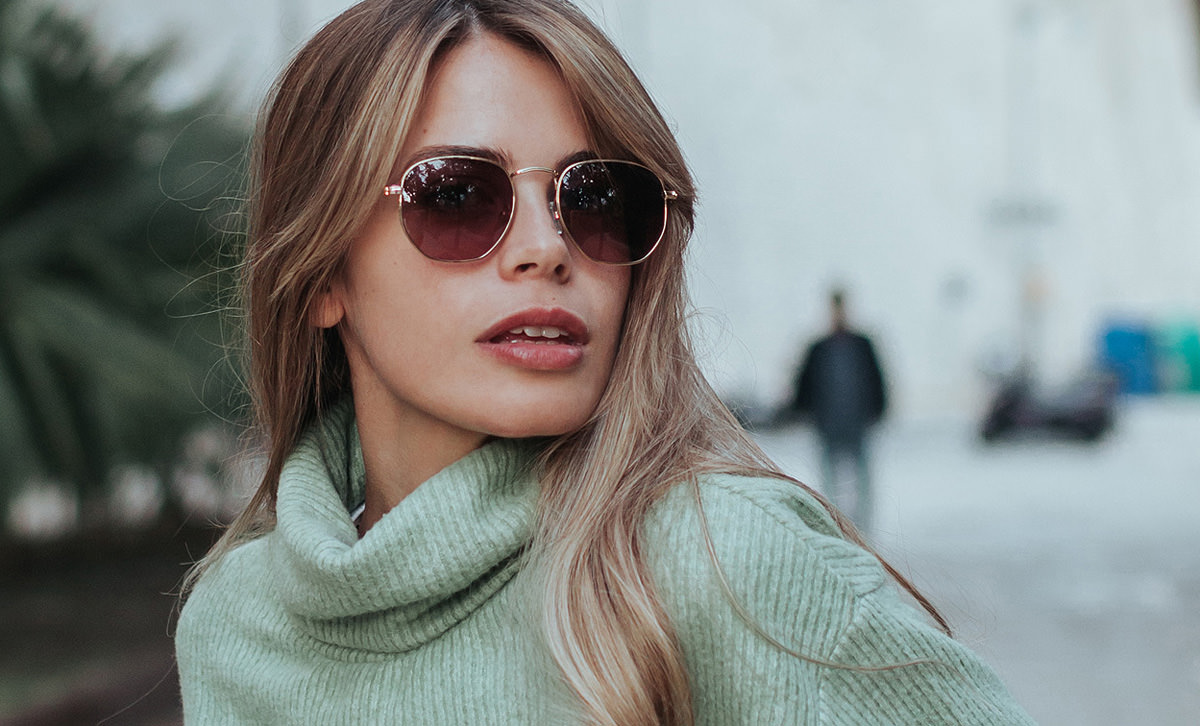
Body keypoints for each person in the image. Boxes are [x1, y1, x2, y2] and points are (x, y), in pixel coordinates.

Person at [175, 1, 1036, 724]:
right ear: (323, 274)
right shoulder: (234, 622)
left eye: (594, 200)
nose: (548, 248)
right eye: (459, 195)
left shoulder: (719, 564)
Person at [790, 289, 888, 531]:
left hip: (857, 423)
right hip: (828, 425)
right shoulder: (819, 348)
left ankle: (862, 528)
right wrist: (802, 411)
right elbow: (804, 383)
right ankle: (835, 524)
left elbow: (876, 379)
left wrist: (878, 410)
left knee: (862, 481)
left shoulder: (862, 345)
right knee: (829, 481)